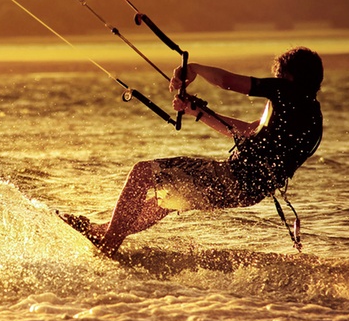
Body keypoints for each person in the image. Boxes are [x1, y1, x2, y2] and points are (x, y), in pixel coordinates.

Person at [58, 46, 324, 256]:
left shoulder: (286, 92)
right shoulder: (313, 118)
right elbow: (248, 131)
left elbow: (226, 81)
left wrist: (193, 68)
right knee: (167, 199)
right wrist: (197, 112)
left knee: (142, 172)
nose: (275, 82)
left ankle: (108, 244)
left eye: (279, 77)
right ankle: (101, 231)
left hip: (232, 178)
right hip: (249, 192)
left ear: (289, 77)